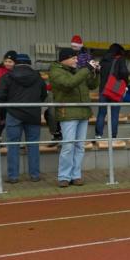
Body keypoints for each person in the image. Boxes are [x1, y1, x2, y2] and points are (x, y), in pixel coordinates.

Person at [0, 53, 47, 183]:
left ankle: (13, 177)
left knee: (13, 145)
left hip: (13, 114)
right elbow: (43, 95)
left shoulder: (7, 76)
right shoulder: (38, 77)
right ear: (29, 64)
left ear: (16, 63)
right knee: (33, 144)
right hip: (33, 114)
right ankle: (35, 175)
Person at [50, 48, 100, 187]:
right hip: (68, 113)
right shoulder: (55, 71)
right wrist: (86, 69)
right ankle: (64, 176)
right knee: (68, 145)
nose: (76, 60)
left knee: (79, 146)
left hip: (83, 112)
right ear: (64, 59)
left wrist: (96, 72)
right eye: (73, 58)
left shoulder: (78, 70)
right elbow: (69, 83)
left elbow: (92, 85)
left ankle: (75, 175)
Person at [94, 43, 129, 140]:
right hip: (115, 89)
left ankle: (98, 135)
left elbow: (98, 72)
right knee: (114, 114)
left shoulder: (103, 59)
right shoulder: (120, 59)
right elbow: (124, 72)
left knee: (101, 113)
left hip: (103, 89)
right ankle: (113, 137)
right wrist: (125, 83)